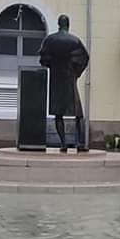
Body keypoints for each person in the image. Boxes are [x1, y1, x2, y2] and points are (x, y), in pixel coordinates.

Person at [38, 15, 90, 152]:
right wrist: (76, 73)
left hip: (56, 80)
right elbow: (85, 58)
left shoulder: (49, 40)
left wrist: (52, 65)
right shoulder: (75, 41)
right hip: (70, 79)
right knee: (78, 114)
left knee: (58, 113)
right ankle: (79, 143)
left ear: (58, 24)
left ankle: (63, 143)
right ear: (68, 24)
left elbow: (43, 59)